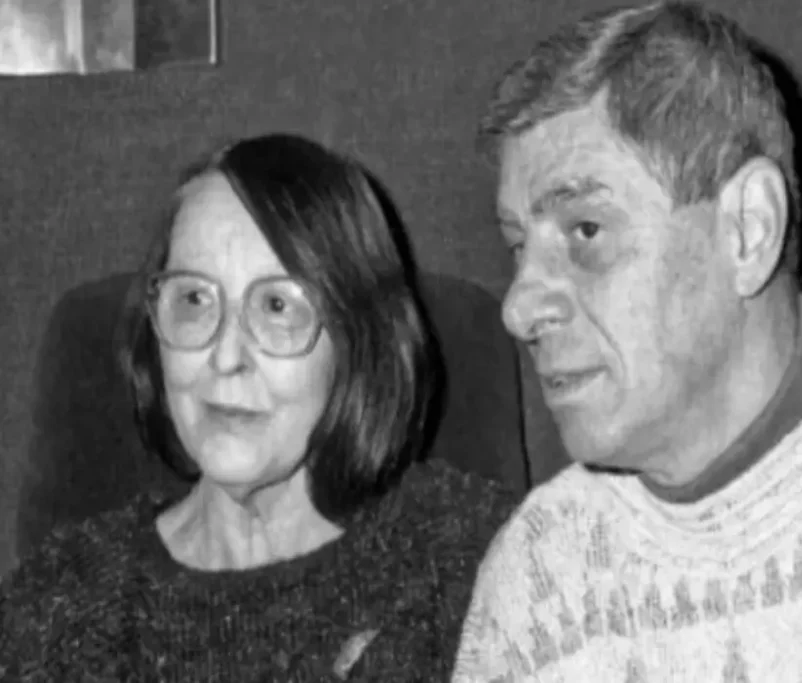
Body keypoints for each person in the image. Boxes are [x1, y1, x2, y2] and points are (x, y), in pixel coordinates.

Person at [452, 2, 802, 680]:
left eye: (586, 232)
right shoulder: (536, 581)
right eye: (518, 246)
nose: (519, 307)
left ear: (749, 230)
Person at [0, 133, 519, 681]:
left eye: (276, 305)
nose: (226, 357)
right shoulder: (61, 606)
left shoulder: (470, 560)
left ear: (358, 340)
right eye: (194, 299)